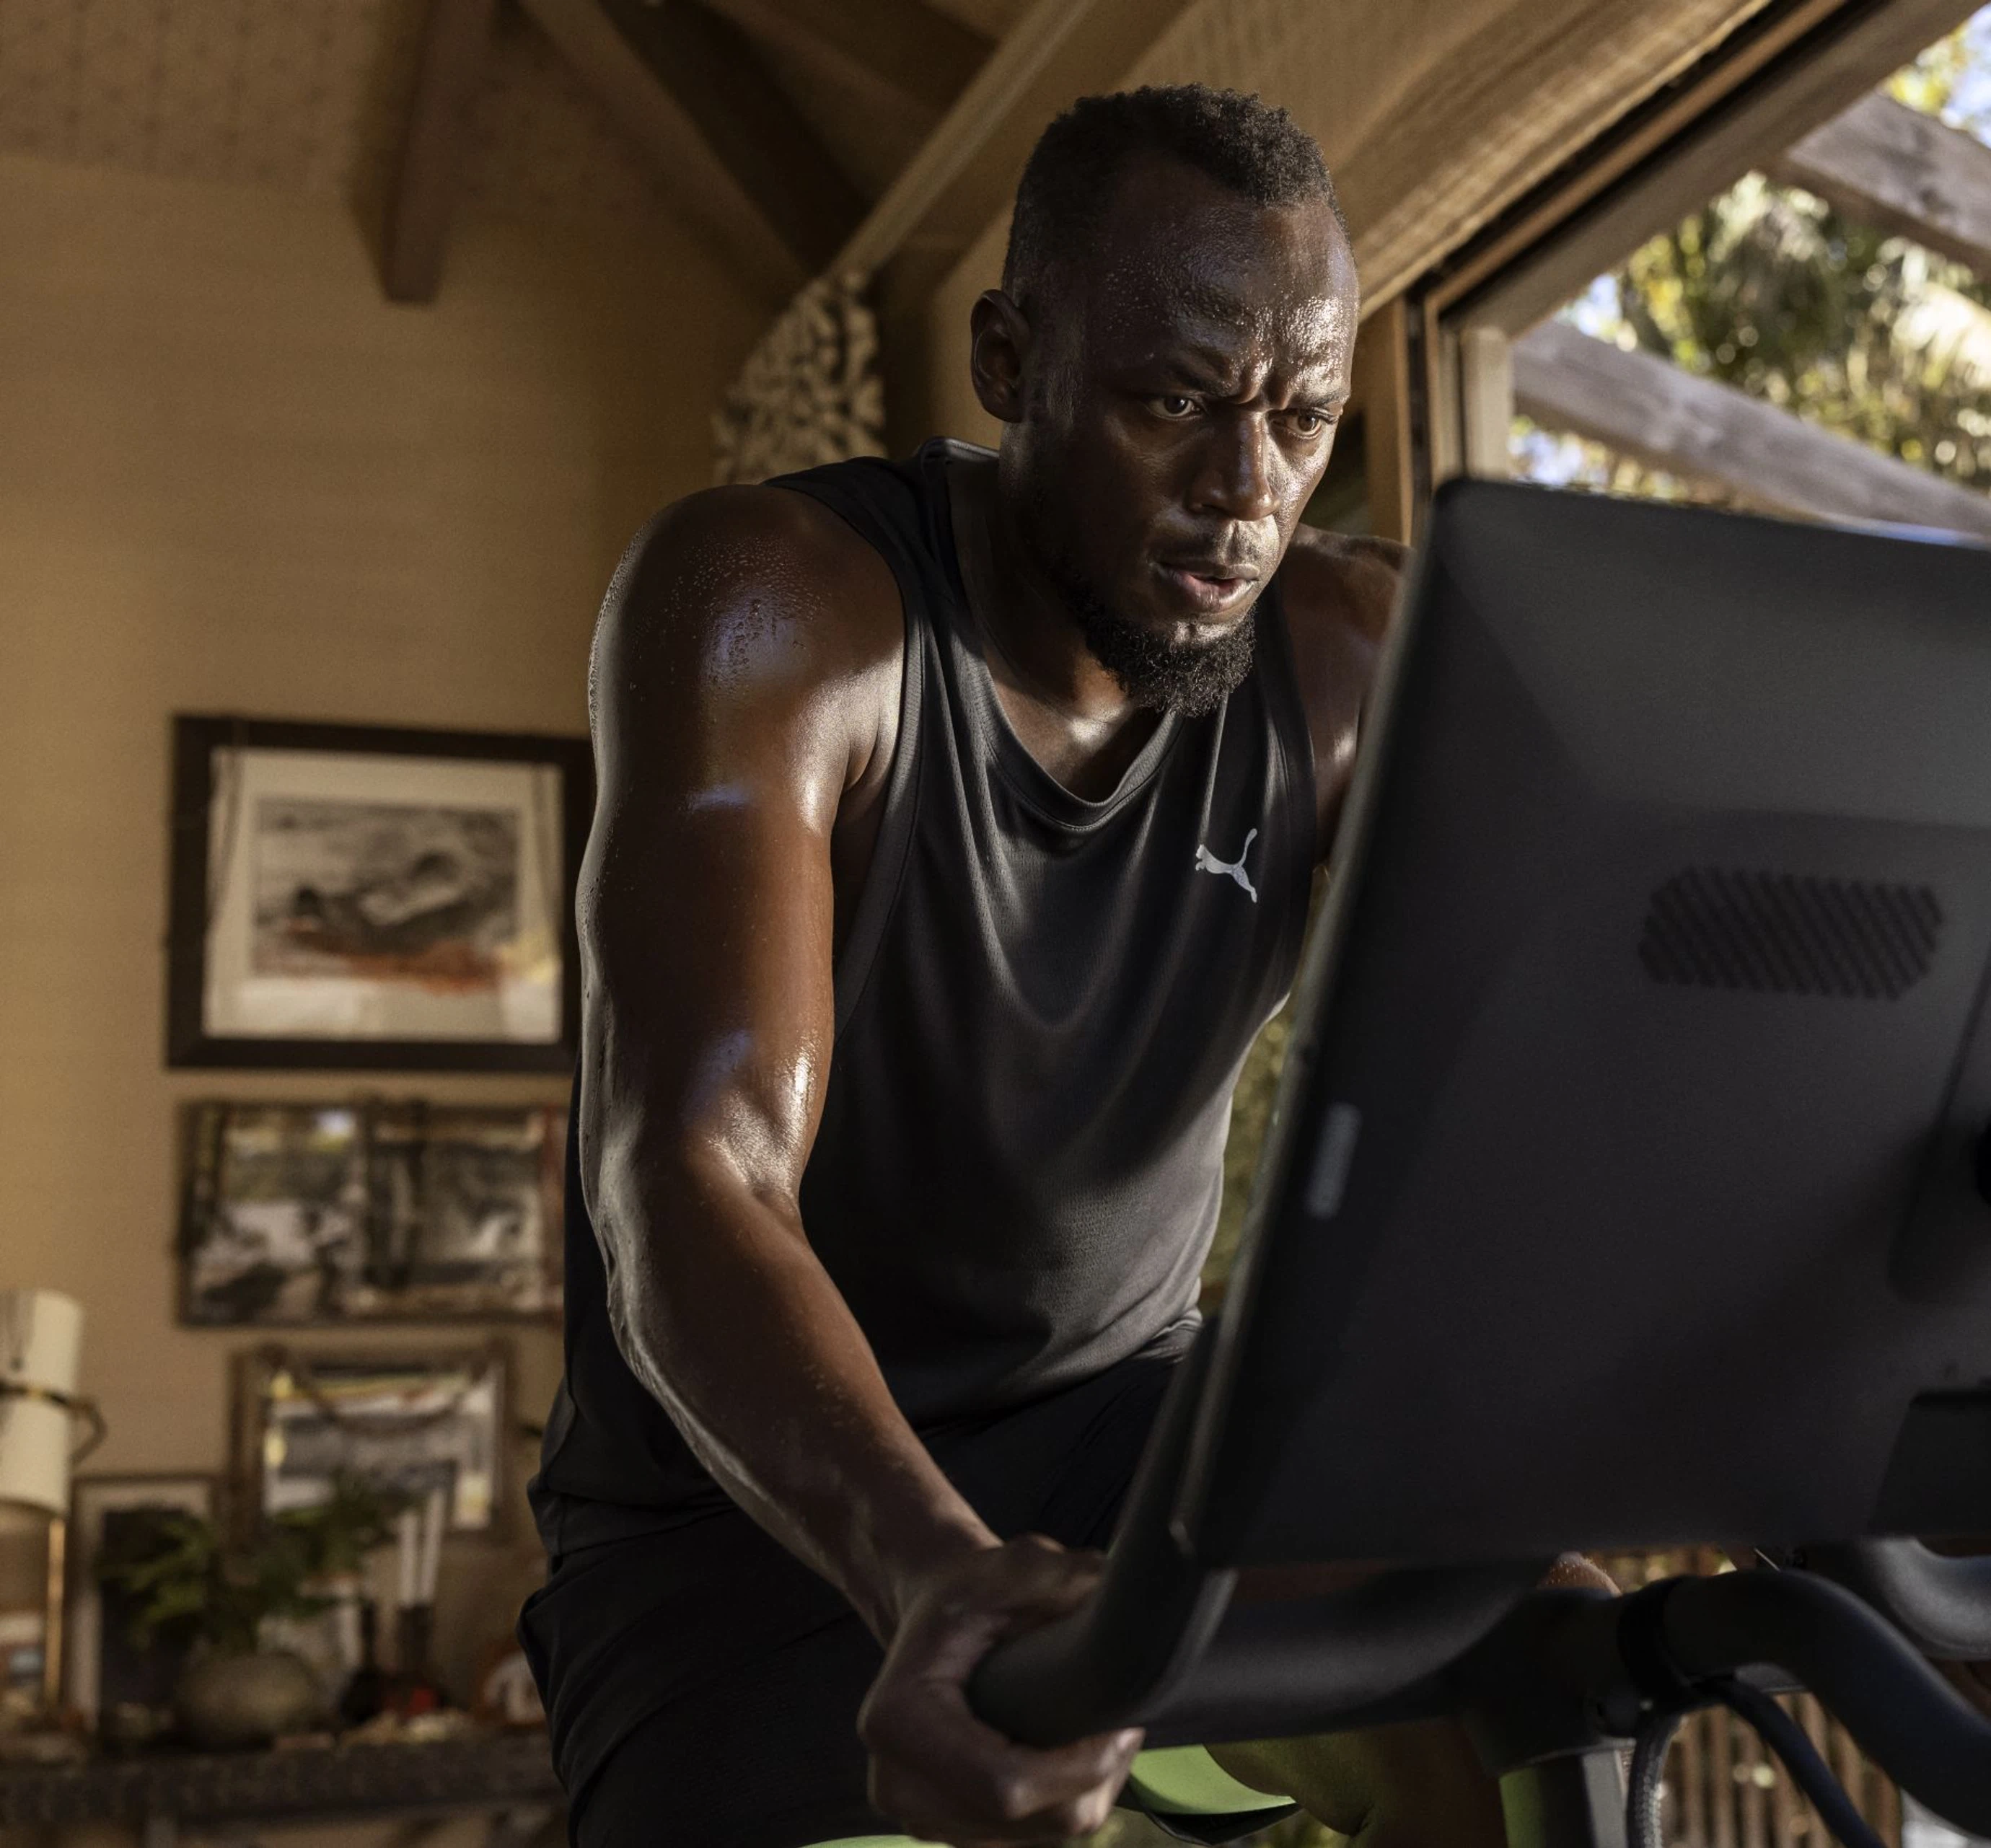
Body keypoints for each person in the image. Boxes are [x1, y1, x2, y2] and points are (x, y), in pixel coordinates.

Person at [517, 84, 1496, 1848]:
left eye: (1307, 417)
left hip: (1135, 1440)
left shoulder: (1348, 664)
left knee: (1542, 1661)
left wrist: (1863, 1517)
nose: (1245, 492)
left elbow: (1580, 1089)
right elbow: (692, 1173)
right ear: (1006, 355)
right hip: (745, 1521)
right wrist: (929, 1572)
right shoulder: (777, 608)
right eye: (1175, 401)